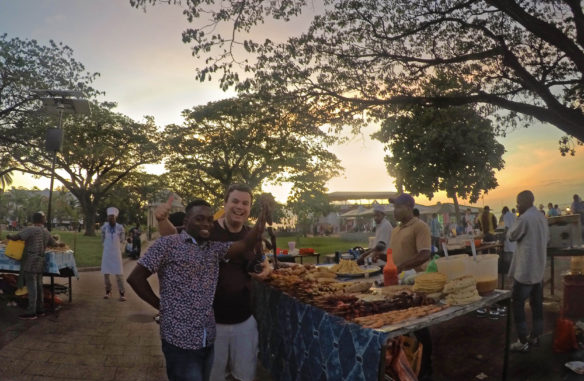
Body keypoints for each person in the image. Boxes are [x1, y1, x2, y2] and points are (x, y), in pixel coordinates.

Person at [127, 199, 267, 381]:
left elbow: (243, 245)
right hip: (179, 341)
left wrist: (262, 219)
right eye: (199, 219)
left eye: (210, 220)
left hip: (207, 338)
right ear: (186, 222)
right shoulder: (168, 245)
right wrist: (162, 307)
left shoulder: (213, 249)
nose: (206, 224)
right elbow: (135, 278)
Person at [388, 193, 432, 381]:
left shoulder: (420, 227)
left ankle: (426, 369)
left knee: (420, 326)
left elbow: (424, 255)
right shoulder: (395, 230)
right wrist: (381, 258)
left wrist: (402, 267)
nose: (394, 211)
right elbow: (394, 256)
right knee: (402, 325)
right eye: (394, 207)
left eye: (398, 207)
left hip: (415, 284)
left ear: (408, 207)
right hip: (397, 285)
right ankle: (404, 367)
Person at [508, 190, 549, 352]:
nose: (517, 205)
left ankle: (523, 340)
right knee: (536, 304)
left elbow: (512, 235)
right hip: (538, 269)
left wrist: (517, 218)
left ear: (525, 202)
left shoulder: (524, 218)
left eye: (518, 202)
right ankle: (536, 336)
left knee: (517, 304)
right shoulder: (541, 217)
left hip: (525, 271)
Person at [6, 212, 61, 320]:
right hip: (41, 260)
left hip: (30, 260)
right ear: (42, 220)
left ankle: (31, 311)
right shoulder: (46, 231)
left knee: (32, 286)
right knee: (39, 285)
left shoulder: (30, 229)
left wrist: (9, 236)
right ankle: (40, 310)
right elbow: (54, 244)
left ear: (33, 220)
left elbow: (16, 237)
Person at [100, 207, 126, 301]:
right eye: (109, 217)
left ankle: (122, 293)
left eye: (112, 217)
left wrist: (121, 247)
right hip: (107, 253)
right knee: (106, 274)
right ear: (107, 218)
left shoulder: (120, 227)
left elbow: (123, 240)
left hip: (116, 253)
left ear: (115, 218)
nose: (111, 218)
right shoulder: (104, 227)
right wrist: (104, 245)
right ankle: (108, 291)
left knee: (119, 273)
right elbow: (102, 238)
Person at [500, 206, 517, 286]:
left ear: (503, 212)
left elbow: (506, 227)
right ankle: (514, 273)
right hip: (514, 238)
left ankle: (511, 274)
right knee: (513, 256)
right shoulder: (513, 215)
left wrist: (503, 236)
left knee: (508, 258)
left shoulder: (506, 215)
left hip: (509, 238)